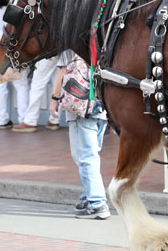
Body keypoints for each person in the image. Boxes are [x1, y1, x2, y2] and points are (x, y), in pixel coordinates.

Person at [51, 50, 110, 219]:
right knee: (91, 155)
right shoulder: (101, 43)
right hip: (101, 110)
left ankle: (97, 203)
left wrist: (54, 100)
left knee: (85, 157)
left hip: (81, 110)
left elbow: (63, 74)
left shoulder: (70, 49)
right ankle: (88, 195)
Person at [0, 0, 30, 129]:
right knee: (21, 87)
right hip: (14, 55)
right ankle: (23, 118)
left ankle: (2, 120)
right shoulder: (13, 15)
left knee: (0, 88)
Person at [12, 56, 61, 132]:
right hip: (62, 52)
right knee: (57, 84)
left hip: (48, 53)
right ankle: (54, 120)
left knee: (37, 86)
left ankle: (30, 121)